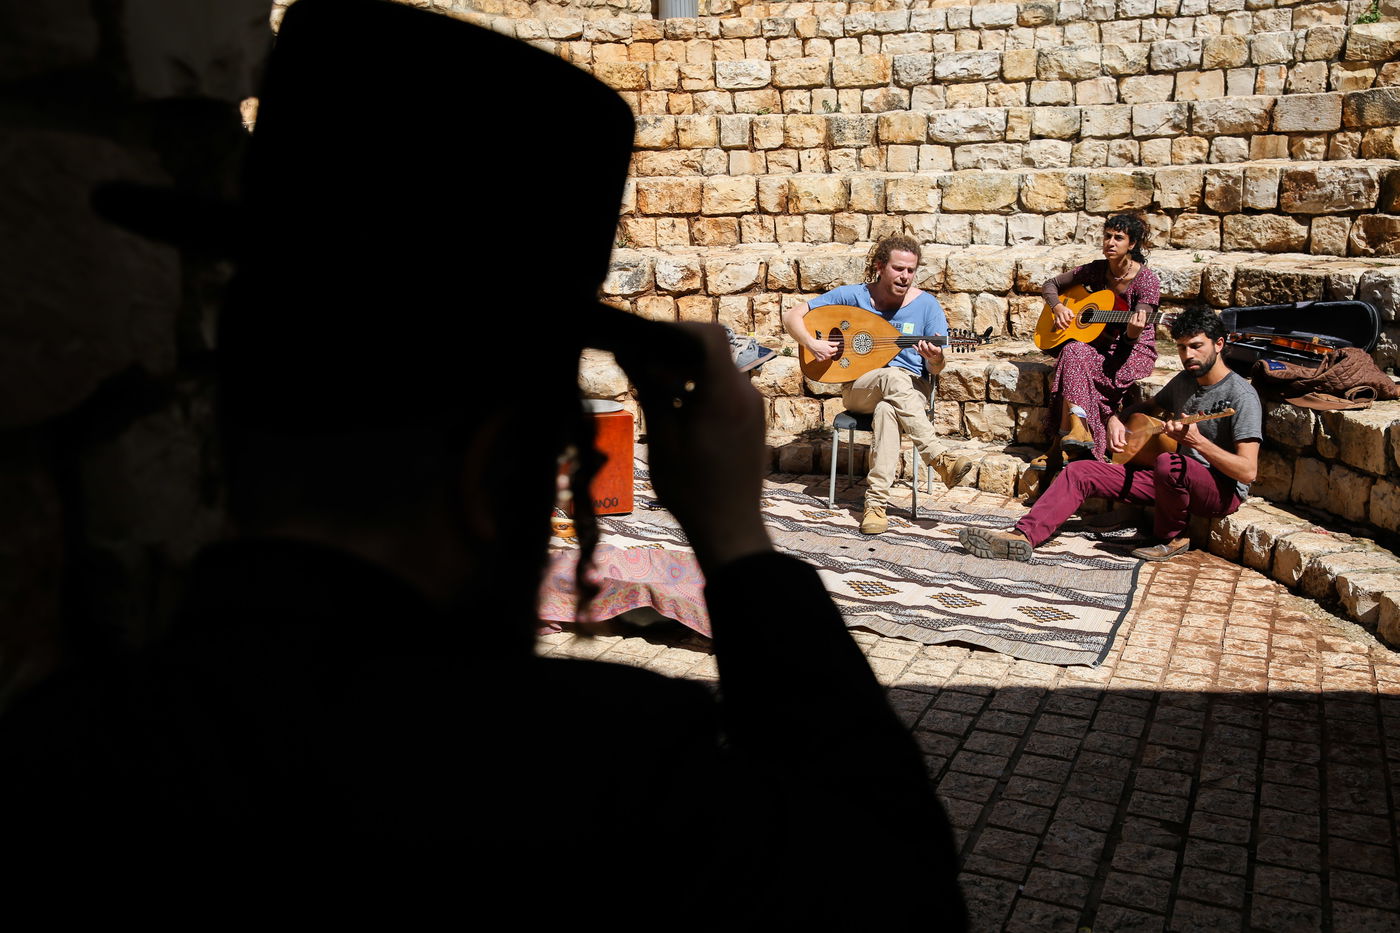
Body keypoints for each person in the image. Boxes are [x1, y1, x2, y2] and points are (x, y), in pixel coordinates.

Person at [1, 1, 967, 925]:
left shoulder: (55, 757)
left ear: (213, 414)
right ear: (489, 468)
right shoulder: (613, 779)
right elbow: (901, 884)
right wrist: (736, 539)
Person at [960, 307, 1261, 563]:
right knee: (1080, 471)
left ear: (1219, 344)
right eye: (1182, 348)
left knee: (1170, 464)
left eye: (1196, 346)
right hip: (1169, 481)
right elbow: (1147, 406)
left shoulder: (1241, 396)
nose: (1188, 355)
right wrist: (1117, 419)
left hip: (1219, 491)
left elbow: (1247, 472)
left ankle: (1172, 537)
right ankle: (1022, 535)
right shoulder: (1184, 381)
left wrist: (1198, 442)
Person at [782, 235, 971, 534]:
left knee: (888, 408)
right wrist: (810, 342)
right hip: (860, 388)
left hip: (912, 390)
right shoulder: (852, 297)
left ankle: (876, 505)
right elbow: (793, 315)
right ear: (881, 267)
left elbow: (937, 368)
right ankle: (938, 457)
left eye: (911, 270)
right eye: (898, 269)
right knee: (891, 378)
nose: (905, 276)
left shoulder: (926, 306)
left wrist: (934, 358)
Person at [1035, 214, 1163, 488]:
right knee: (1072, 351)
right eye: (1107, 236)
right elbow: (1050, 285)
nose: (1110, 242)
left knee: (1071, 359)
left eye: (1118, 238)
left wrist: (1134, 330)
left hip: (1132, 351)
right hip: (1100, 344)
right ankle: (1078, 428)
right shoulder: (1096, 269)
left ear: (1132, 244)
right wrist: (1058, 308)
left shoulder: (1146, 281)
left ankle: (1062, 442)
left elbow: (1132, 336)